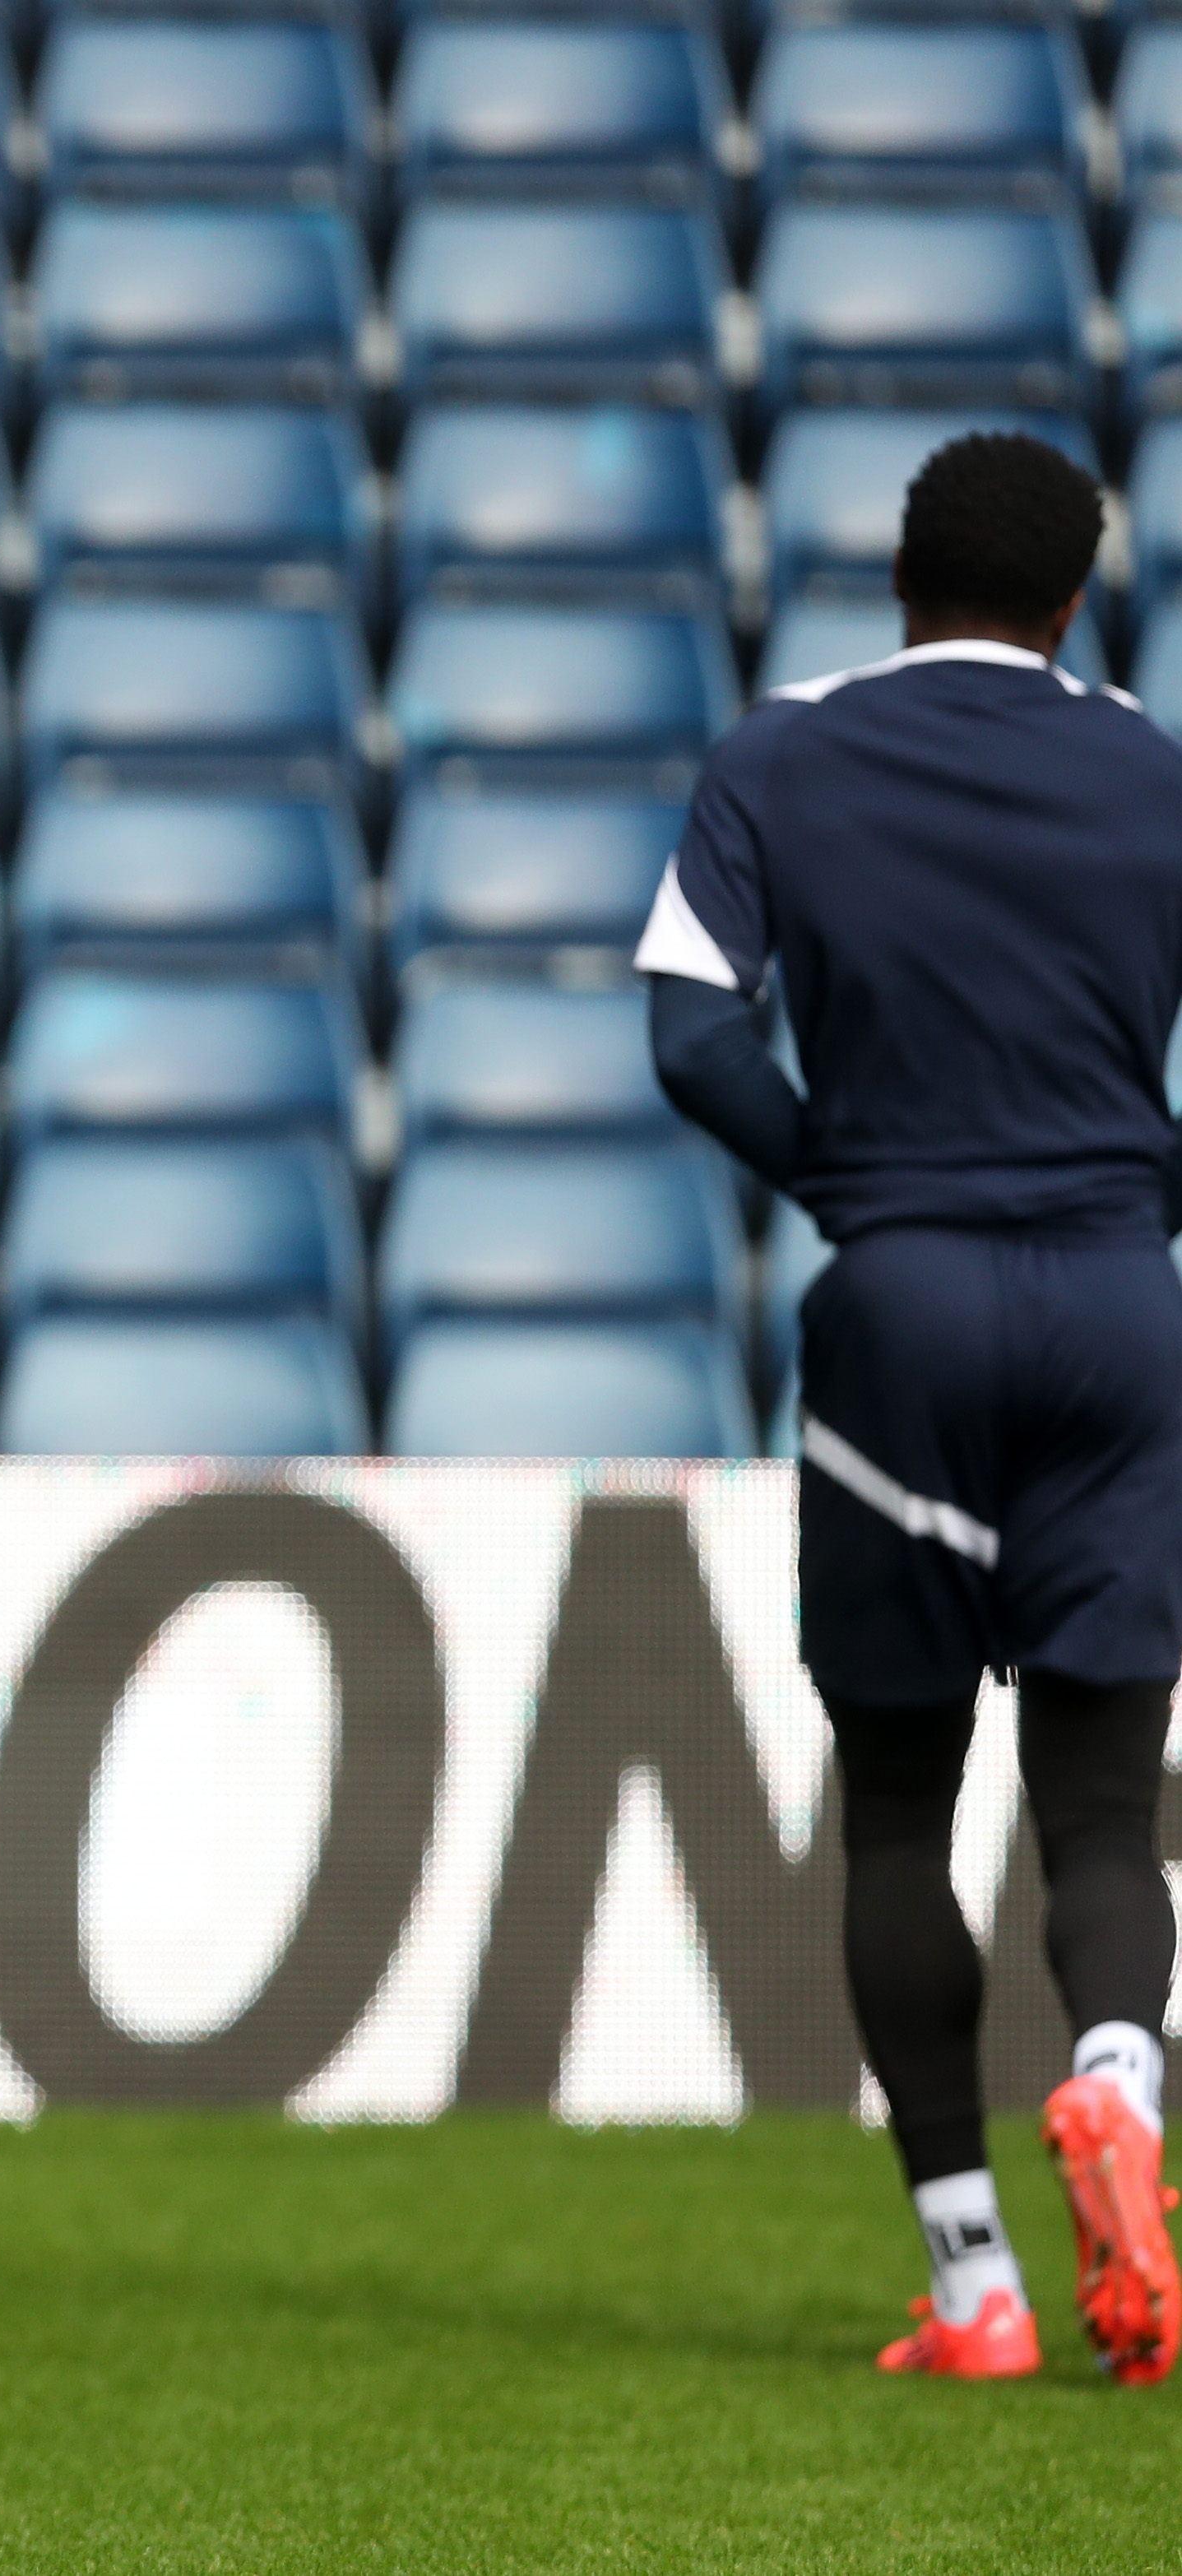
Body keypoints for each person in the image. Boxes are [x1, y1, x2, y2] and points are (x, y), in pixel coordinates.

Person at [640, 429, 1182, 2384]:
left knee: (896, 1814)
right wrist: (1142, 1185)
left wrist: (847, 1179)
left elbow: (692, 1034)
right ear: (1070, 602)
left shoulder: (782, 754)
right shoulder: (1151, 765)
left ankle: (975, 2288)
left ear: (898, 579)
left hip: (908, 1308)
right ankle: (1119, 2079)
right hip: (1127, 1311)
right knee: (1106, 1809)